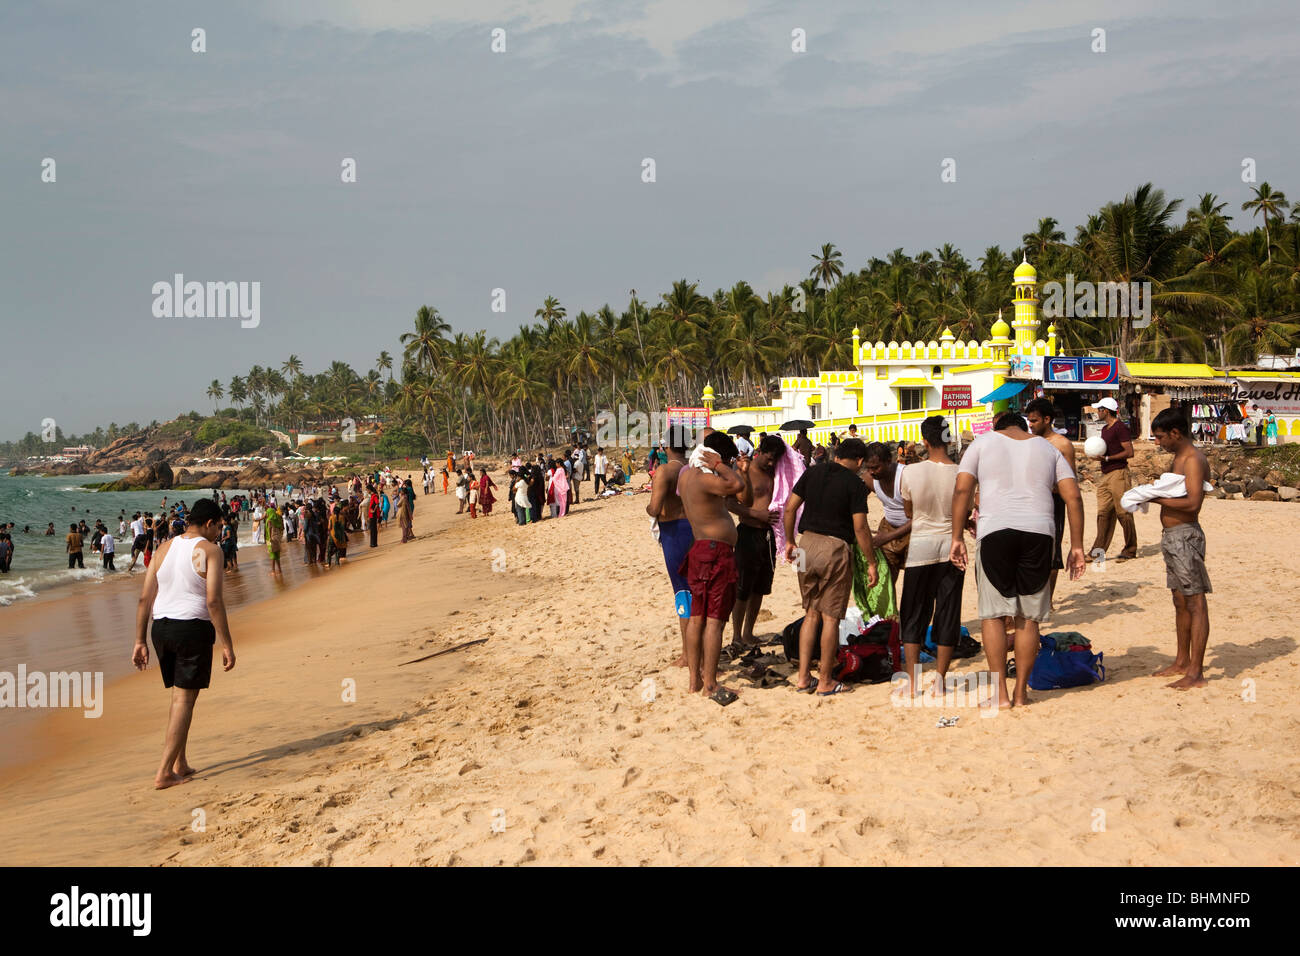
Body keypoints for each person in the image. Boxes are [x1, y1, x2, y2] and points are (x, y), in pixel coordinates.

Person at [950, 412, 1086, 708]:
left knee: (994, 615)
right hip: (1039, 532)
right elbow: (1073, 497)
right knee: (1028, 616)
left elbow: (962, 489)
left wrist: (957, 537)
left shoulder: (982, 444)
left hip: (995, 530)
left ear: (998, 428)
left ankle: (1000, 694)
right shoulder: (1048, 448)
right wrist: (1077, 545)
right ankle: (1022, 693)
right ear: (1024, 428)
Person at [132, 498, 235, 790]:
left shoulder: (165, 547)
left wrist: (139, 640)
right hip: (191, 628)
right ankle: (164, 771)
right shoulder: (211, 550)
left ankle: (180, 762)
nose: (219, 532)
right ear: (210, 523)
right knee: (184, 700)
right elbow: (214, 600)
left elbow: (144, 598)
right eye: (219, 526)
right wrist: (227, 644)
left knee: (180, 698)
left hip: (161, 629)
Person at [782, 437, 877, 696]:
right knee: (831, 618)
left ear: (836, 454)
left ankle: (803, 678)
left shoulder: (812, 472)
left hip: (806, 544)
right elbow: (860, 527)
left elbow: (789, 509)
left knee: (810, 613)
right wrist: (871, 562)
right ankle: (825, 681)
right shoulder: (855, 484)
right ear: (859, 461)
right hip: (834, 548)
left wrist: (790, 541)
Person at [677, 431, 745, 704]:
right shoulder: (707, 479)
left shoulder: (686, 476)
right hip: (716, 553)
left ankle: (694, 681)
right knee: (715, 622)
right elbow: (737, 485)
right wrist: (720, 466)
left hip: (699, 550)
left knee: (697, 618)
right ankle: (710, 684)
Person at [898, 416, 962, 696]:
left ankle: (912, 683)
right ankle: (940, 680)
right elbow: (967, 510)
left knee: (913, 612)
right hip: (951, 544)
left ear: (924, 440)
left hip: (922, 544)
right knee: (947, 612)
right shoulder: (961, 472)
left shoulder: (910, 472)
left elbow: (909, 511)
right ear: (948, 439)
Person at [1149, 409, 1212, 690]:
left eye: (1161, 437)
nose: (1158, 443)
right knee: (1180, 601)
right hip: (1173, 537)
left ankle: (1196, 672)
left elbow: (1192, 504)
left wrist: (1154, 497)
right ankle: (1182, 661)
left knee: (1195, 602)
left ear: (1176, 433)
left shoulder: (1193, 459)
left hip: (1185, 537)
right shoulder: (1179, 458)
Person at [727, 434, 785, 651]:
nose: (771, 464)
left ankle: (748, 632)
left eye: (774, 460)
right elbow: (730, 503)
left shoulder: (778, 473)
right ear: (759, 451)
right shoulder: (745, 470)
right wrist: (756, 514)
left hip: (770, 536)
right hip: (748, 532)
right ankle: (736, 635)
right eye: (768, 459)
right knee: (743, 587)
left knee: (760, 587)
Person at [646, 426, 695, 666]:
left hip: (674, 532)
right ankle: (696, 649)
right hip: (695, 529)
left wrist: (648, 508)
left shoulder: (664, 471)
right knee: (696, 590)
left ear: (666, 446)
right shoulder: (693, 468)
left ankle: (688, 654)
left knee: (682, 592)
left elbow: (654, 508)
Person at [1024, 398, 1078, 608]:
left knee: (1053, 553)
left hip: (1054, 503)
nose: (1031, 425)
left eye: (1035, 421)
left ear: (1047, 420)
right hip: (1031, 502)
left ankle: (1047, 599)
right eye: (1029, 421)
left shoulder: (1062, 444)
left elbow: (1070, 479)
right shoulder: (1029, 442)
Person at [1090, 396, 1137, 561]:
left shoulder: (1120, 428)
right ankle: (1098, 552)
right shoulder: (1105, 429)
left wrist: (1109, 459)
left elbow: (1129, 452)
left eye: (1099, 410)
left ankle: (1130, 549)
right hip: (1106, 473)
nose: (1097, 412)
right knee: (1103, 513)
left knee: (1123, 512)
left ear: (1105, 411)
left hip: (1118, 473)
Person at [863, 442, 911, 589]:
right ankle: (889, 612)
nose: (872, 472)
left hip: (913, 533)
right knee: (884, 582)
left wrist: (888, 537)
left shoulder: (906, 476)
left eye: (876, 467)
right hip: (888, 528)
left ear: (889, 461)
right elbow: (856, 506)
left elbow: (920, 517)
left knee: (913, 584)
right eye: (868, 467)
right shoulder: (869, 479)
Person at [265, 503, 284, 575]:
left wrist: (269, 538)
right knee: (277, 555)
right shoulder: (277, 519)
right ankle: (279, 570)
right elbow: (282, 528)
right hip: (278, 538)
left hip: (271, 539)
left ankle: (273, 571)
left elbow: (269, 529)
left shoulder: (269, 520)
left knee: (272, 555)